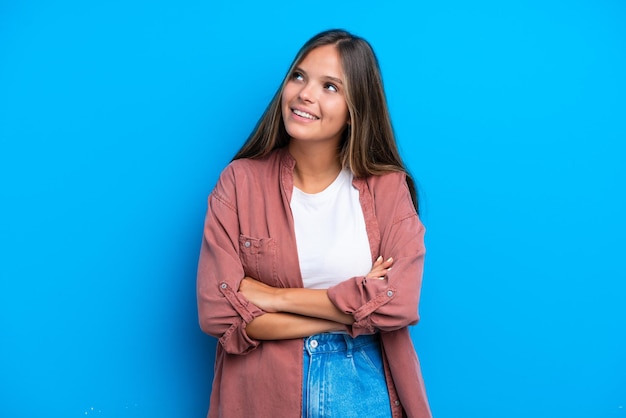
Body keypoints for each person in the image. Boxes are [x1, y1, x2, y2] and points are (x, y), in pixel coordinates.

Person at [197, 29, 431, 418]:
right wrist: (357, 307)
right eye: (299, 76)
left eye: (330, 87)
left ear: (356, 108)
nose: (306, 93)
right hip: (265, 390)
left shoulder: (387, 188)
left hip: (362, 386)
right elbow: (218, 314)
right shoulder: (239, 182)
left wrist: (273, 297)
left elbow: (399, 304)